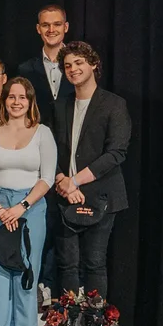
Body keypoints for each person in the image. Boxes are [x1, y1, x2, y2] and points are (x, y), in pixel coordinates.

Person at [0, 78, 56, 326]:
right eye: (11, 97)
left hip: (30, 206)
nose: (16, 102)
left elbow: (47, 178)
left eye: (22, 97)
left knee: (26, 271)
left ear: (30, 101)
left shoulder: (42, 133)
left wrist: (21, 206)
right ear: (4, 101)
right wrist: (0, 209)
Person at [52, 42, 130, 298]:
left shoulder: (114, 104)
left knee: (94, 262)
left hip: (101, 195)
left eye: (78, 63)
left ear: (94, 64)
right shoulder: (60, 105)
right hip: (64, 194)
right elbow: (49, 148)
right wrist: (62, 181)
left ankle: (95, 321)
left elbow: (116, 153)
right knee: (67, 264)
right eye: (67, 65)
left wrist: (74, 181)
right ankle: (67, 321)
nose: (72, 69)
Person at [16, 4, 74, 127]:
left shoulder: (80, 67)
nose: (51, 30)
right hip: (37, 135)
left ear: (66, 27)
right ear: (38, 29)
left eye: (57, 24)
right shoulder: (25, 70)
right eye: (45, 25)